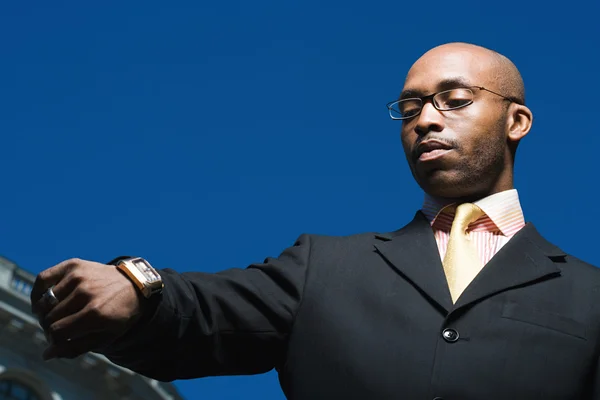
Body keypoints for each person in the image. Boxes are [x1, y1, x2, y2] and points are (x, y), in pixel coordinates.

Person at [31, 42, 600, 399]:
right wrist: (136, 290)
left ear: (516, 121)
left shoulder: (589, 296)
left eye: (454, 99)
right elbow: (203, 310)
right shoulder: (324, 267)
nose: (426, 120)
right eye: (409, 108)